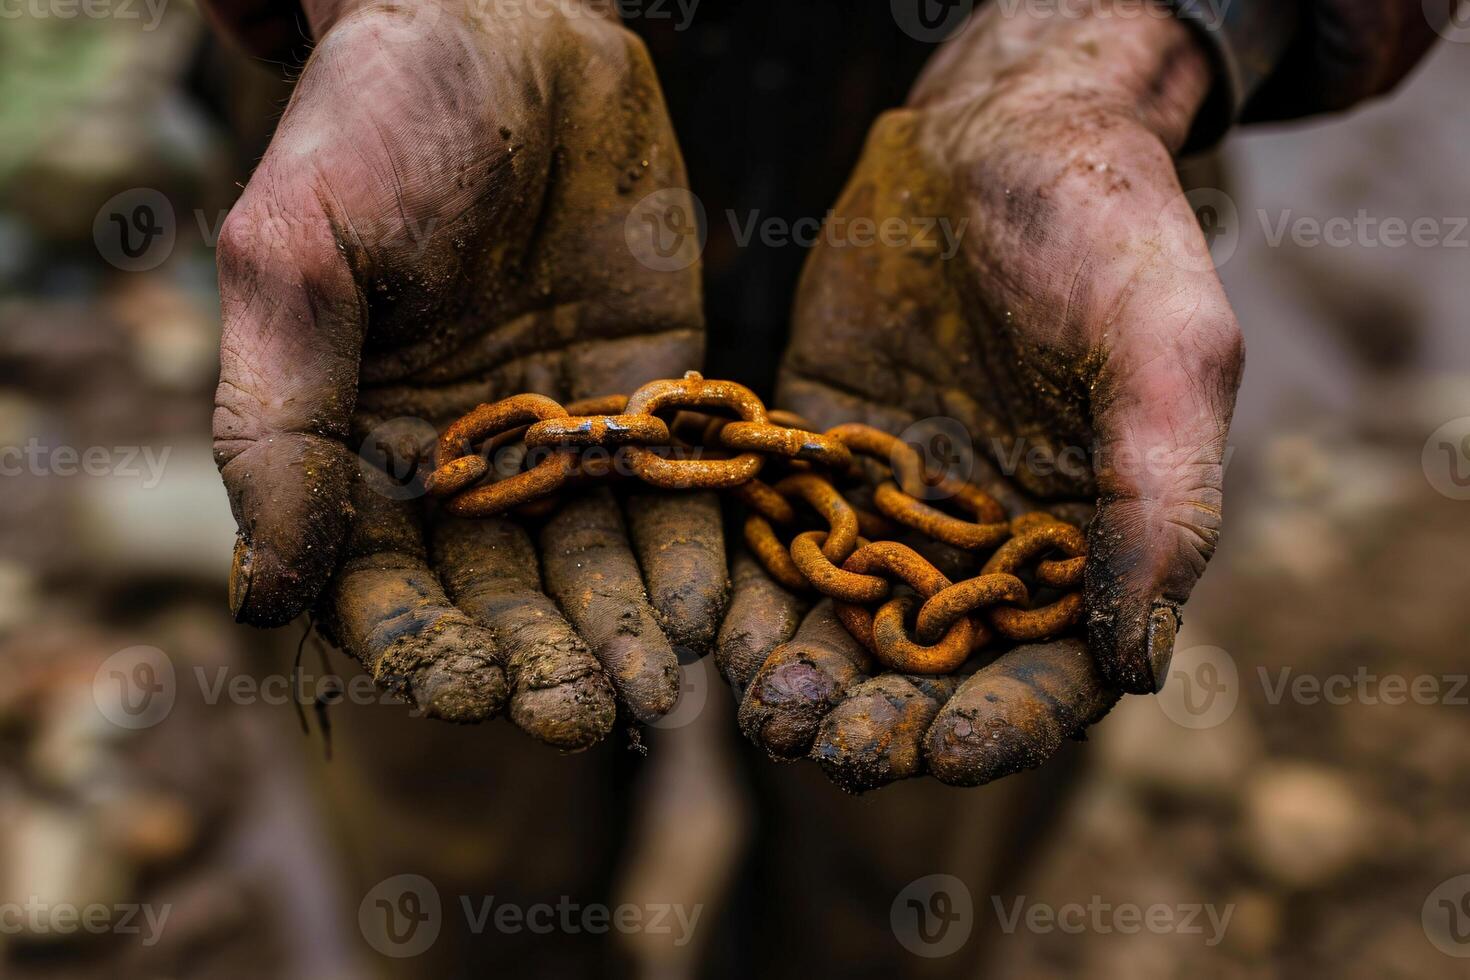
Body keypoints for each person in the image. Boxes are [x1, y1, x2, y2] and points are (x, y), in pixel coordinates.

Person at [199, 0, 1445, 973]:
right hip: (458, 230)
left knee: (898, 895)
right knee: (457, 861)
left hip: (983, 283)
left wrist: (1114, 55)